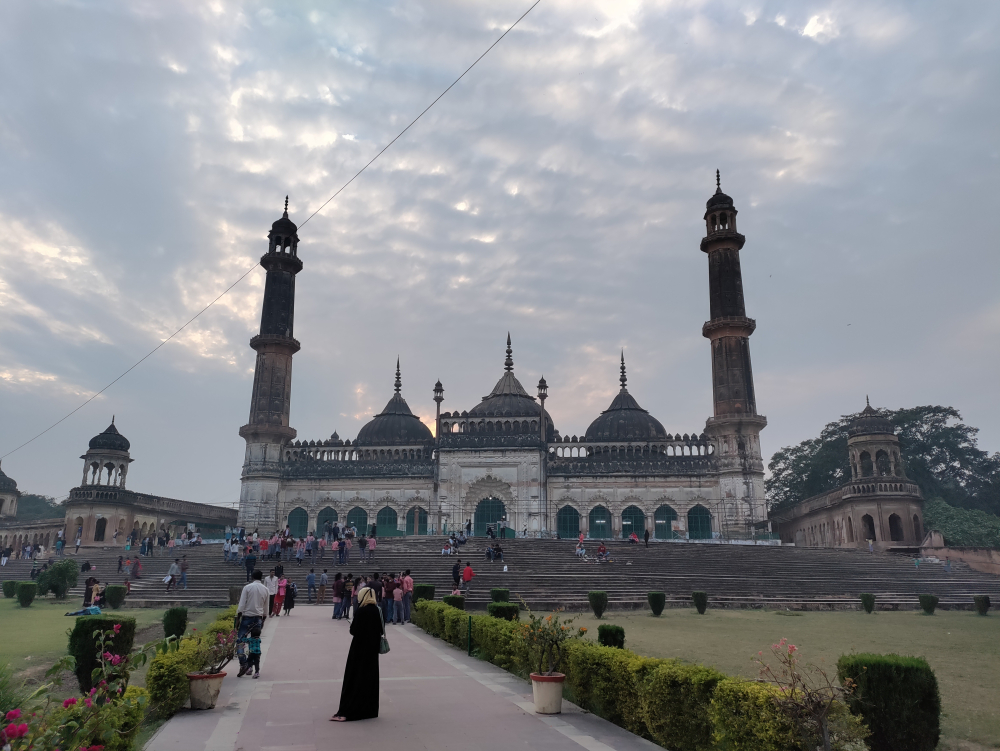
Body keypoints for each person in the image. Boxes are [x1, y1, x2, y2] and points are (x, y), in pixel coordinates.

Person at [331, 586, 383, 722]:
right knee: (369, 678)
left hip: (359, 649)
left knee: (354, 678)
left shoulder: (361, 611)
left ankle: (348, 710)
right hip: (372, 651)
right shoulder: (377, 611)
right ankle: (369, 710)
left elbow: (353, 630)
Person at [236, 570, 269, 677]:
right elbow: (266, 607)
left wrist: (238, 618)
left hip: (247, 617)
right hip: (258, 618)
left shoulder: (247, 587)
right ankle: (252, 667)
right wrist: (263, 619)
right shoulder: (265, 589)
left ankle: (243, 663)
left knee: (240, 641)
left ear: (252, 576)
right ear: (261, 577)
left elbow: (241, 605)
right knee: (254, 642)